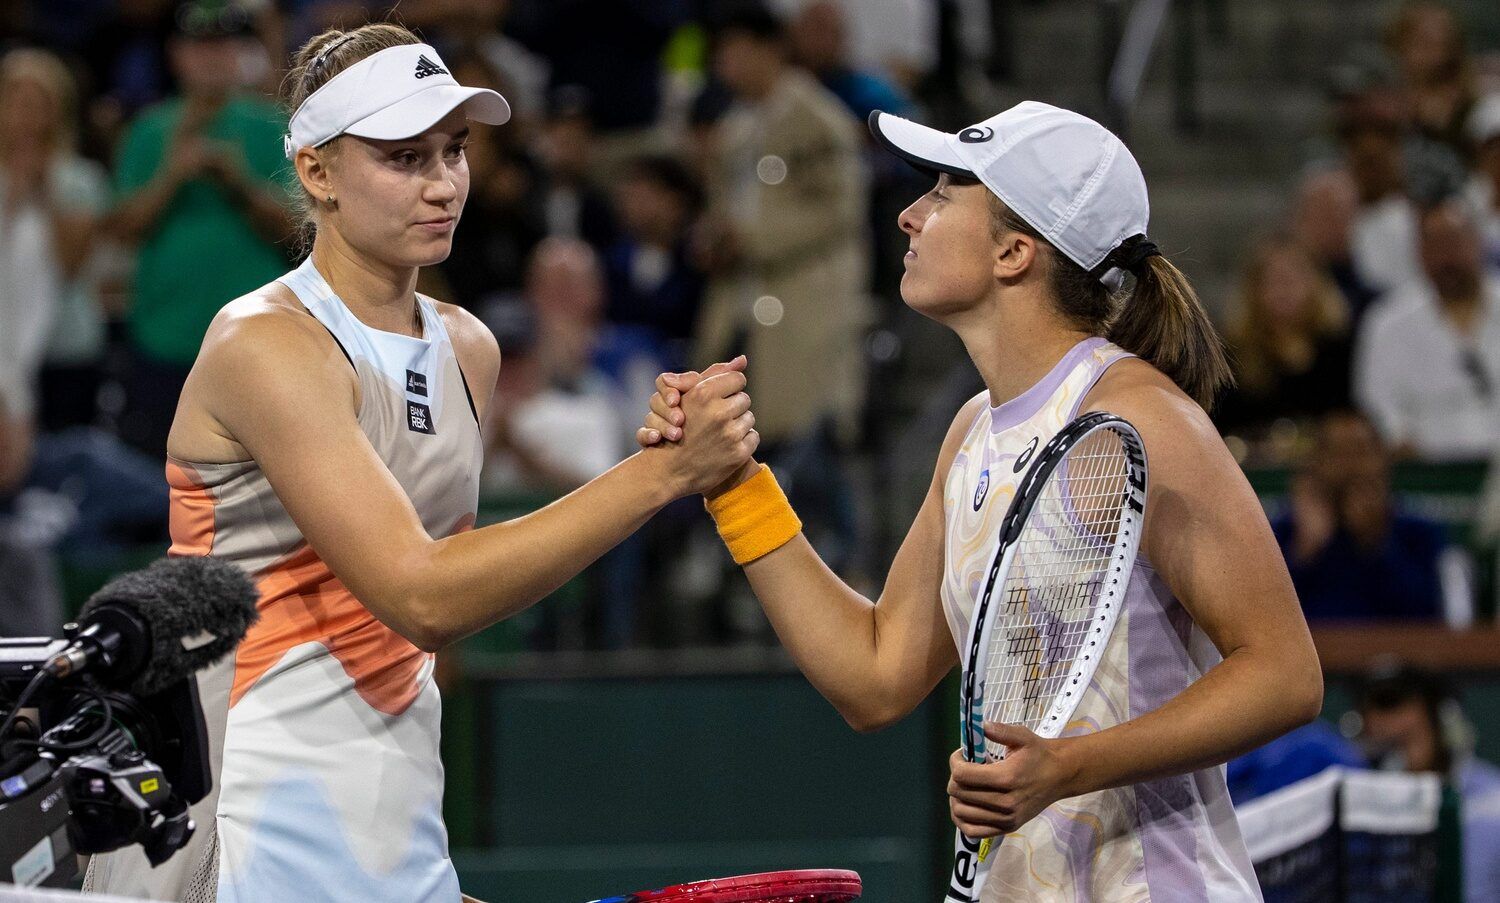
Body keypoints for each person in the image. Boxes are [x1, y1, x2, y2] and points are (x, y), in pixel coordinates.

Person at [83, 24, 758, 903]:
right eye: (404, 158)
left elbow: (430, 633)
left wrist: (413, 872)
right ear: (318, 173)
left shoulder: (467, 348)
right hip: (240, 813)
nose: (443, 185)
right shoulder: (266, 344)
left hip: (393, 825)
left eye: (455, 151)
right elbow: (423, 593)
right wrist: (661, 476)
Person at [642, 101, 1322, 900]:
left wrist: (1069, 766)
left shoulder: (1147, 419)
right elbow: (875, 674)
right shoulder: (971, 430)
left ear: (1014, 250)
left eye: (941, 193)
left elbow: (1285, 674)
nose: (908, 214)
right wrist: (732, 482)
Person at [110, 0, 298, 457]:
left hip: (257, 340)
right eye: (199, 47)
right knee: (158, 479)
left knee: (263, 477)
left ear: (238, 53)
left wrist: (240, 185)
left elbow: (301, 233)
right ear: (176, 54)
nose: (211, 57)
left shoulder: (273, 126)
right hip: (164, 337)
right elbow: (123, 230)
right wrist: (172, 173)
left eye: (222, 45)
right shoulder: (149, 131)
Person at [1273, 410, 1470, 623]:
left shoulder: (1419, 532)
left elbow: (1431, 617)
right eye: (1337, 453)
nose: (1351, 466)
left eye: (1361, 451)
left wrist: (1377, 544)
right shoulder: (1284, 532)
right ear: (1316, 463)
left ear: (1383, 460)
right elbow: (1267, 616)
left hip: (1398, 654)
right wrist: (1305, 550)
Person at [1354, 196, 1500, 461]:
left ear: (1477, 243)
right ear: (1419, 252)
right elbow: (1376, 403)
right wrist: (1397, 439)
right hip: (1428, 474)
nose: (1446, 258)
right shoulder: (1388, 321)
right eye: (1435, 246)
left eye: (1454, 243)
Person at [1354, 664, 1500, 903]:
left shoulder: (1494, 800)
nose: (1378, 719)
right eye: (1371, 707)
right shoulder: (1367, 808)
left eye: (1391, 703)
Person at [1215, 237, 1353, 450]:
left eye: (1293, 279)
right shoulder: (1232, 354)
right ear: (1254, 289)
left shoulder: (1340, 349)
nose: (1284, 290)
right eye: (1274, 280)